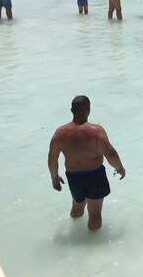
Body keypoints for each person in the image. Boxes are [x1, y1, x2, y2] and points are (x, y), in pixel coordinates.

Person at [47, 95, 126, 231]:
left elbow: (52, 158)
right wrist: (119, 168)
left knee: (77, 208)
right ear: (88, 110)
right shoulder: (96, 131)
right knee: (95, 214)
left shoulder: (60, 133)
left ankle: (74, 230)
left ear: (72, 110)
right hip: (94, 175)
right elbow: (110, 153)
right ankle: (92, 247)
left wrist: (55, 178)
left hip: (74, 177)